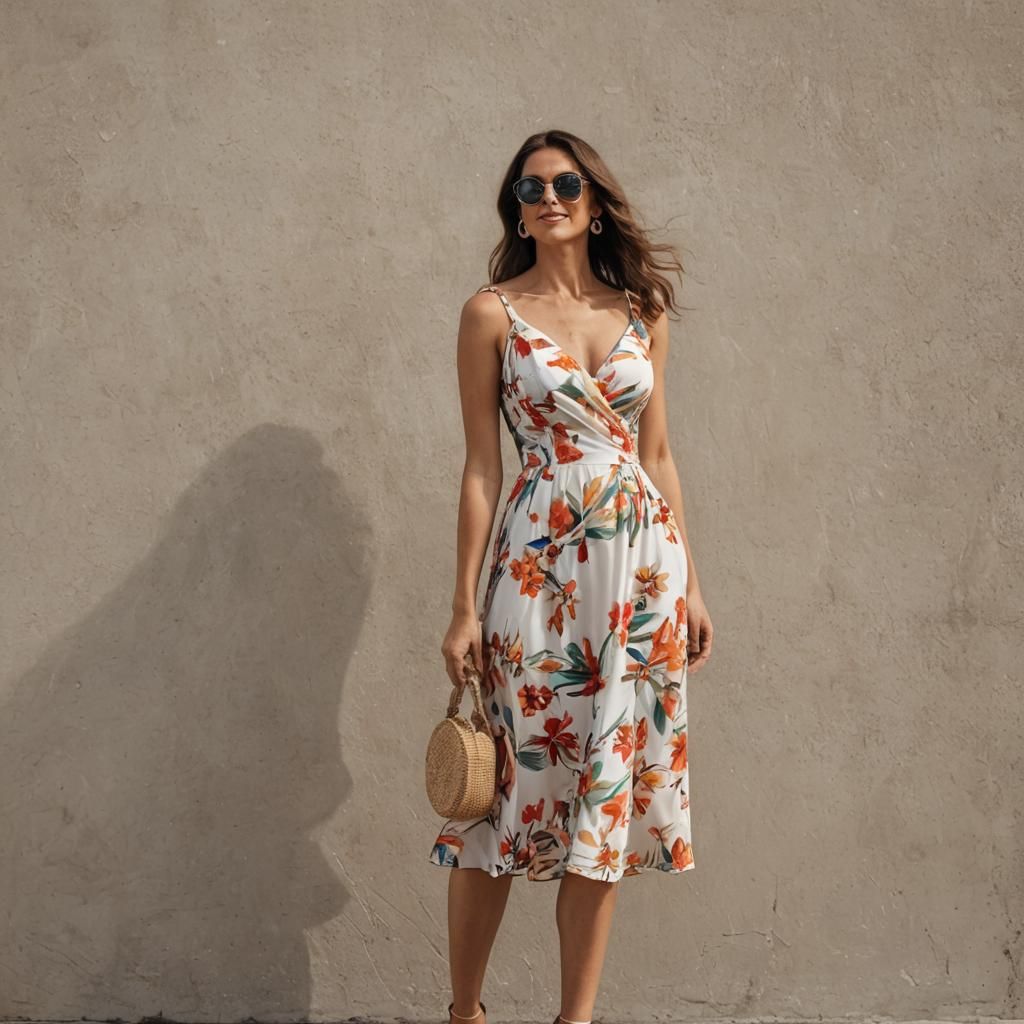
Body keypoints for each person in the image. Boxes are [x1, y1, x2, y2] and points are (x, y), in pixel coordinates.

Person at [429, 129, 714, 1024]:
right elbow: (481, 468)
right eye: (527, 187)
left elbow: (658, 456)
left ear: (594, 200)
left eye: (563, 182)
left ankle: (574, 1021)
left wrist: (694, 585)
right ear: (516, 207)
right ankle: (465, 1012)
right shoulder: (490, 313)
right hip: (536, 577)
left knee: (603, 801)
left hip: (638, 584)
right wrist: (462, 607)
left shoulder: (642, 312)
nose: (545, 197)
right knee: (505, 799)